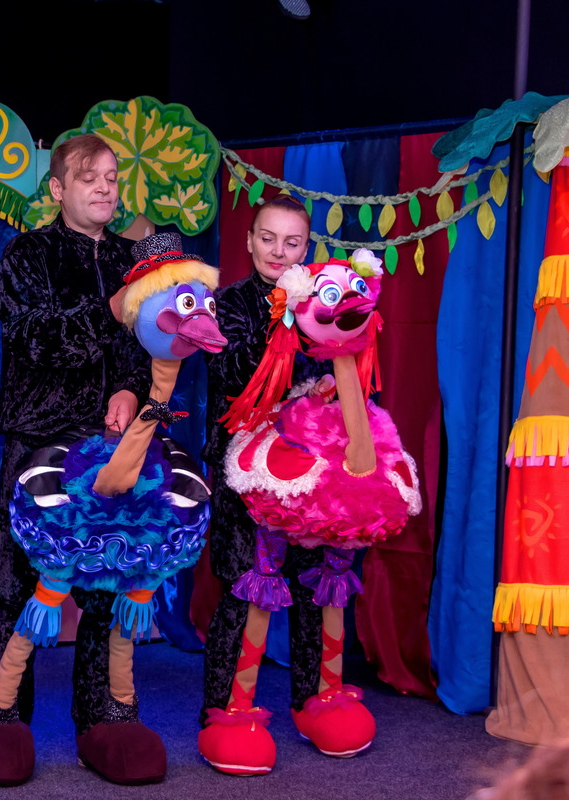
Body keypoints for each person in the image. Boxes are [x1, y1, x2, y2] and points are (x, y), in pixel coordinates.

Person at [0, 133, 155, 786]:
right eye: (88, 177)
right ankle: (2, 717)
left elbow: (147, 344)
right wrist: (110, 309)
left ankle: (103, 718)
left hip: (112, 449)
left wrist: (129, 388)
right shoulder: (27, 256)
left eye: (111, 177)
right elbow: (40, 342)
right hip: (40, 440)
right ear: (57, 188)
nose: (104, 188)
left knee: (107, 583)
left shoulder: (132, 259)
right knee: (17, 582)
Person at [198, 194, 327, 775]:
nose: (278, 251)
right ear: (249, 240)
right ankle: (222, 713)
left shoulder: (324, 305)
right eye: (268, 238)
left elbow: (343, 374)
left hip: (308, 471)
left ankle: (313, 702)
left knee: (313, 585)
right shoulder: (225, 306)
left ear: (307, 248)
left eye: (292, 242)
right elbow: (234, 377)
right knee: (243, 586)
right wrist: (283, 314)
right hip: (243, 471)